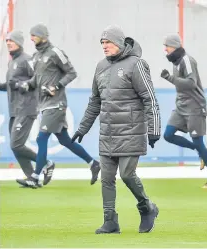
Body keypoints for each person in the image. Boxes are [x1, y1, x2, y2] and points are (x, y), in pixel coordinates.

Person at [71, 25, 161, 234]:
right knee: (107, 179)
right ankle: (110, 222)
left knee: (127, 175)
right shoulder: (100, 66)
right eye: (102, 43)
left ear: (119, 43)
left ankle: (147, 207)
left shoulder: (136, 65)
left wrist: (153, 129)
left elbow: (150, 99)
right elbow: (95, 102)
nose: (104, 46)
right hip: (107, 134)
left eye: (108, 42)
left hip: (131, 132)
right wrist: (83, 128)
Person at [16, 23, 100, 189]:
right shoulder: (36, 56)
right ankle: (93, 163)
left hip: (56, 104)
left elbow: (72, 72)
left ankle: (35, 176)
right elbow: (37, 80)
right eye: (31, 35)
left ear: (44, 36)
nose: (31, 38)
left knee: (41, 138)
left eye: (35, 35)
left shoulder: (55, 52)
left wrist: (56, 86)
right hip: (44, 105)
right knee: (65, 141)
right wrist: (26, 85)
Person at [160, 34, 207, 189]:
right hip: (181, 107)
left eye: (166, 46)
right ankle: (200, 150)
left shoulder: (187, 60)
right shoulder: (175, 62)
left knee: (197, 141)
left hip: (194, 106)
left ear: (174, 46)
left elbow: (191, 83)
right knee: (168, 135)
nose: (165, 49)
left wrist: (170, 78)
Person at [0, 30, 52, 186]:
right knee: (16, 147)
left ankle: (46, 163)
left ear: (19, 43)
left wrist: (23, 85)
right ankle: (32, 178)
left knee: (16, 144)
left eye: (12, 41)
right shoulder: (12, 62)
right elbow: (11, 86)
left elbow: (38, 79)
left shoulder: (26, 60)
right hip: (14, 110)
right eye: (7, 41)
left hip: (26, 109)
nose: (8, 43)